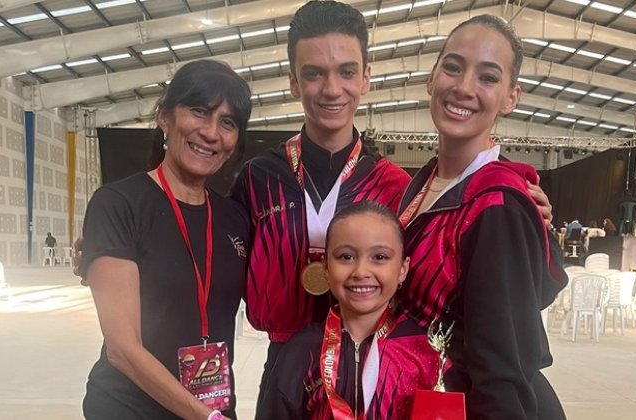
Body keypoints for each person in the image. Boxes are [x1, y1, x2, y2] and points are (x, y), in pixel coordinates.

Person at [230, 2, 556, 403]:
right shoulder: (258, 178)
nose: (331, 88)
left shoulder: (394, 184)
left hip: (396, 373)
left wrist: (527, 214)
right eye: (314, 73)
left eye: (346, 71)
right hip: (290, 368)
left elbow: (507, 333)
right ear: (294, 82)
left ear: (366, 78)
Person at [397, 15, 567, 419]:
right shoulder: (423, 185)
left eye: (488, 77)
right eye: (452, 67)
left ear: (511, 98)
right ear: (431, 78)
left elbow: (503, 367)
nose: (463, 87)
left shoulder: (498, 204)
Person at [79, 60, 251, 420]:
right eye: (199, 112)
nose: (211, 132)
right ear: (164, 117)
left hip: (212, 405)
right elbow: (122, 349)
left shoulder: (235, 218)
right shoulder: (119, 205)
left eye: (228, 122)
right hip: (130, 408)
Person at [256, 201, 441, 419]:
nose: (361, 271)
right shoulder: (300, 350)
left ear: (402, 269)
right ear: (326, 267)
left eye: (379, 257)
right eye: (346, 257)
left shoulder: (425, 351)